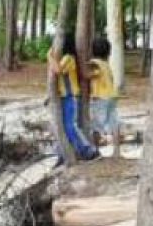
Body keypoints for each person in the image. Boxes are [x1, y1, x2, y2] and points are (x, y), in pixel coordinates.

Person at [47, 34, 99, 164]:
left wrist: (49, 56)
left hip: (70, 97)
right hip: (64, 97)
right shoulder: (63, 59)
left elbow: (57, 70)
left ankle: (88, 151)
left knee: (70, 126)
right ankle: (62, 154)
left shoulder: (69, 58)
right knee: (62, 127)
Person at [88, 36, 121, 155]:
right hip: (112, 96)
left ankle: (95, 150)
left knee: (96, 124)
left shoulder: (94, 63)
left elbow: (88, 75)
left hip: (100, 97)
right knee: (114, 122)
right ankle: (117, 151)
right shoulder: (106, 65)